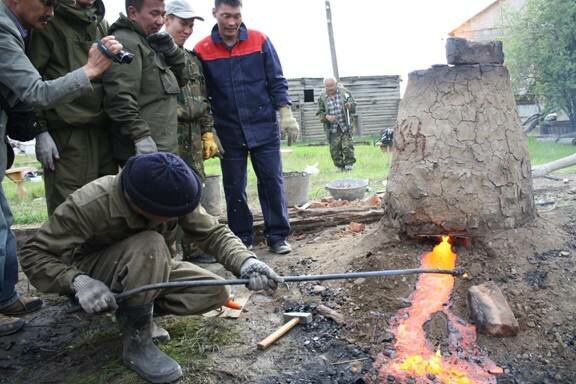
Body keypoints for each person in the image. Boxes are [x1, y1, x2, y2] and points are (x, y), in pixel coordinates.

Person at [19, 152, 283, 384]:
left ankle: (136, 313)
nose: (175, 219)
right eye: (167, 216)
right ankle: (137, 343)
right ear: (138, 204)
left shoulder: (172, 191)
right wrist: (78, 282)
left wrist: (247, 262)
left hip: (147, 266)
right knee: (151, 243)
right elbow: (34, 253)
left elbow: (212, 233)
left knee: (214, 291)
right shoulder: (90, 203)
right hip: (93, 272)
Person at [0, 0, 122, 337]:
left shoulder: (95, 21)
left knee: (6, 222)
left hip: (98, 130)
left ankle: (9, 297)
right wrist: (40, 130)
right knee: (65, 211)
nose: (51, 9)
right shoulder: (27, 24)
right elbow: (30, 89)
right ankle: (70, 285)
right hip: (66, 133)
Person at [194, 0, 299, 254]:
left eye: (236, 16)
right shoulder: (202, 50)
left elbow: (276, 79)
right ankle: (242, 238)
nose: (232, 22)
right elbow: (201, 93)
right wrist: (208, 130)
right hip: (228, 130)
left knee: (272, 181)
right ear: (214, 14)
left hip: (263, 126)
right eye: (225, 16)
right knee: (234, 186)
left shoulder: (259, 40)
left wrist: (285, 112)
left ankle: (277, 236)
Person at [28, 0, 118, 215]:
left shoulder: (100, 24)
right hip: (67, 137)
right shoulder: (49, 22)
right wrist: (40, 130)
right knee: (68, 215)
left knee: (106, 211)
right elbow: (30, 84)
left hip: (103, 132)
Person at [164, 0, 221, 263]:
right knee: (166, 196)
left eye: (190, 26)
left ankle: (195, 249)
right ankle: (169, 254)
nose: (187, 30)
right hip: (168, 138)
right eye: (182, 24)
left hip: (193, 141)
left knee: (193, 193)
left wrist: (208, 132)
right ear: (166, 20)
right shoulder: (155, 54)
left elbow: (204, 100)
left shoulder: (192, 60)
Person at [102, 0, 189, 165]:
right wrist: (140, 136)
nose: (160, 21)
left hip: (162, 149)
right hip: (146, 151)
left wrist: (173, 53)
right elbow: (120, 96)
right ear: (133, 13)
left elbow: (181, 81)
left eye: (163, 14)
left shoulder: (150, 42)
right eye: (154, 13)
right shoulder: (126, 42)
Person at [317, 78, 357, 171]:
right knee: (335, 150)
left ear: (336, 84)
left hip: (345, 125)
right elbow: (320, 113)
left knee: (347, 146)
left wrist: (350, 106)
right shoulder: (322, 97)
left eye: (332, 85)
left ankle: (348, 166)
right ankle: (340, 167)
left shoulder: (345, 93)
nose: (330, 88)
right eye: (327, 86)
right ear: (325, 86)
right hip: (332, 128)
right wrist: (327, 117)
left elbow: (354, 107)